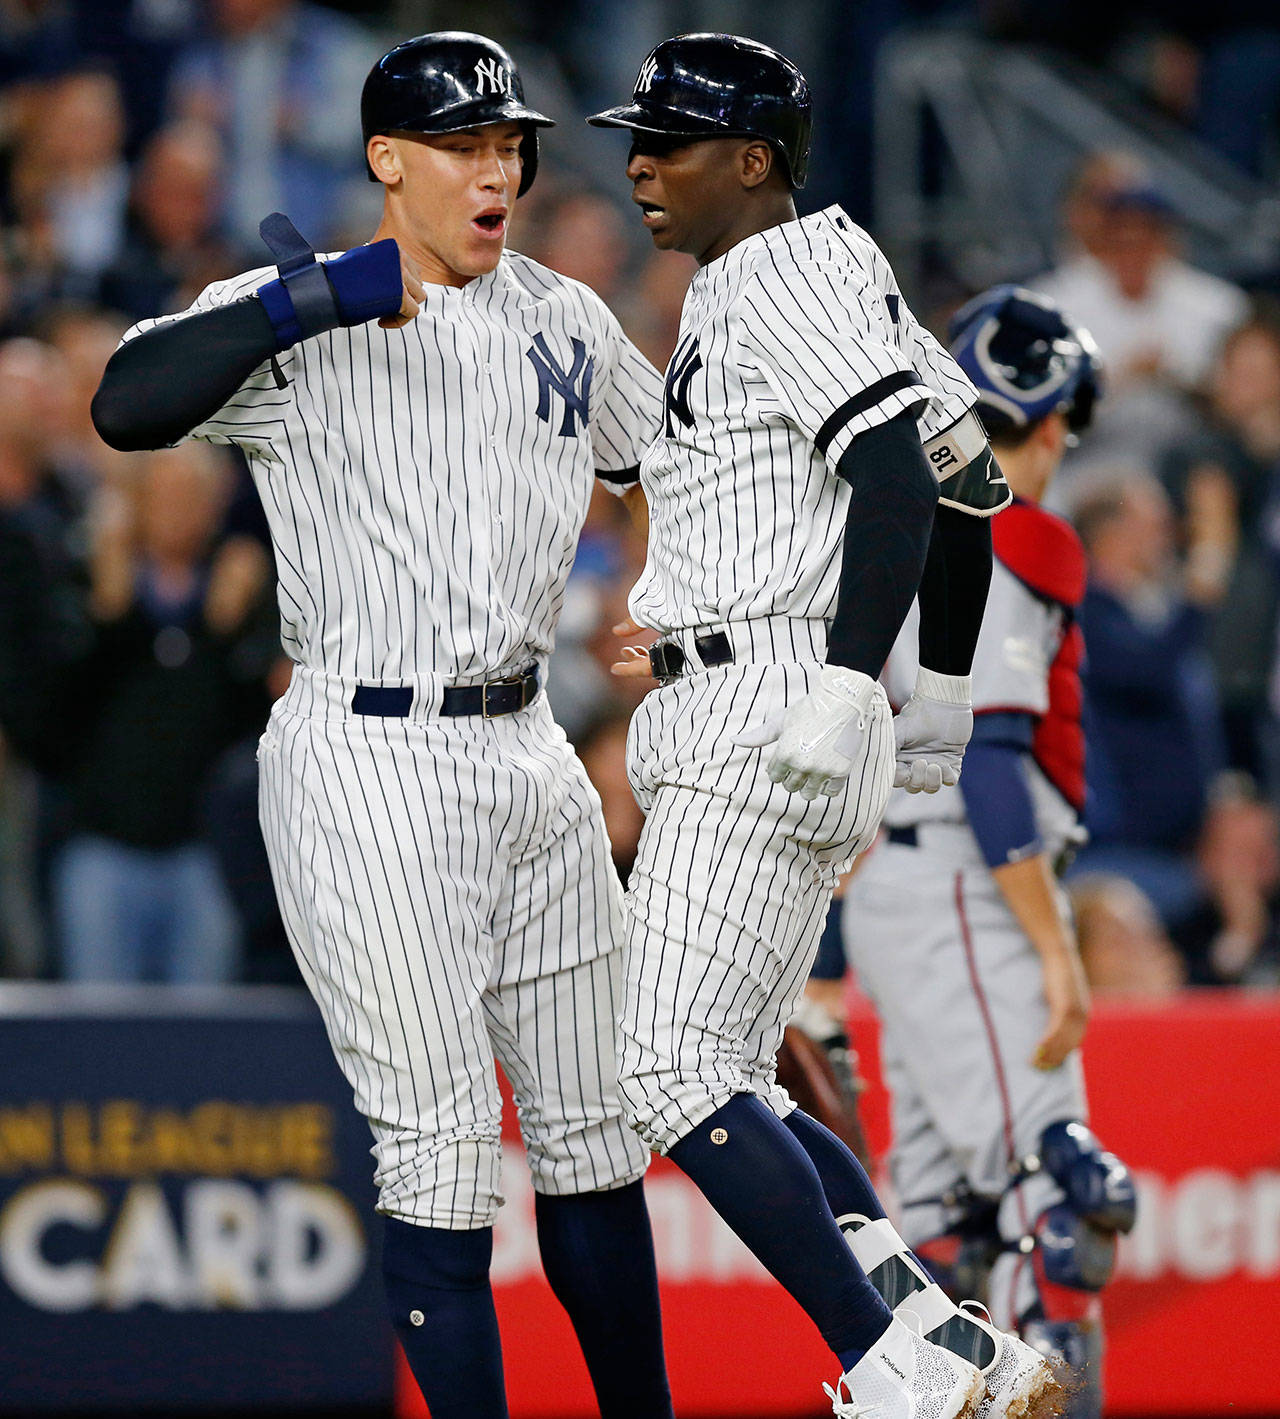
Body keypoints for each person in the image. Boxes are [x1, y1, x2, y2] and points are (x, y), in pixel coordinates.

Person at [92, 32, 673, 1419]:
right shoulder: (296, 314)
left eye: (509, 146)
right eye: (466, 146)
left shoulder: (562, 313)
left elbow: (676, 468)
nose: (497, 171)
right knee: (439, 1148)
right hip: (368, 750)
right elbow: (126, 402)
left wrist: (663, 622)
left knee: (597, 1136)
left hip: (530, 744)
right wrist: (315, 295)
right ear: (387, 161)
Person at [593, 34, 1054, 1419]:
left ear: (753, 158)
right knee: (731, 1067)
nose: (638, 164)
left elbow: (907, 476)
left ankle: (888, 1358)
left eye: (669, 142)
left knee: (666, 1067)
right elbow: (975, 484)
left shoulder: (775, 269)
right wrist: (945, 697)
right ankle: (939, 1332)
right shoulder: (839, 264)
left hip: (765, 705)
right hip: (767, 688)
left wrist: (859, 679)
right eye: (639, 137)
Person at [843, 286, 1137, 1418]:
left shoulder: (908, 513)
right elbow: (995, 762)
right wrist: (1056, 954)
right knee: (1055, 1207)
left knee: (940, 1237)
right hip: (965, 879)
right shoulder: (1009, 528)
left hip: (904, 878)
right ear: (1051, 418)